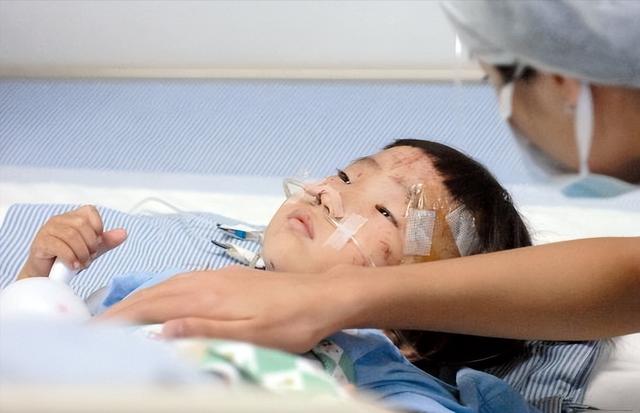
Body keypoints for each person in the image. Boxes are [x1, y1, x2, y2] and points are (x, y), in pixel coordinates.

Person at [16, 140, 539, 412]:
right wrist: (39, 273)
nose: (328, 194)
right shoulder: (174, 285)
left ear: (418, 333)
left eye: (385, 212)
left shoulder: (377, 369)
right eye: (345, 176)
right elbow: (37, 341)